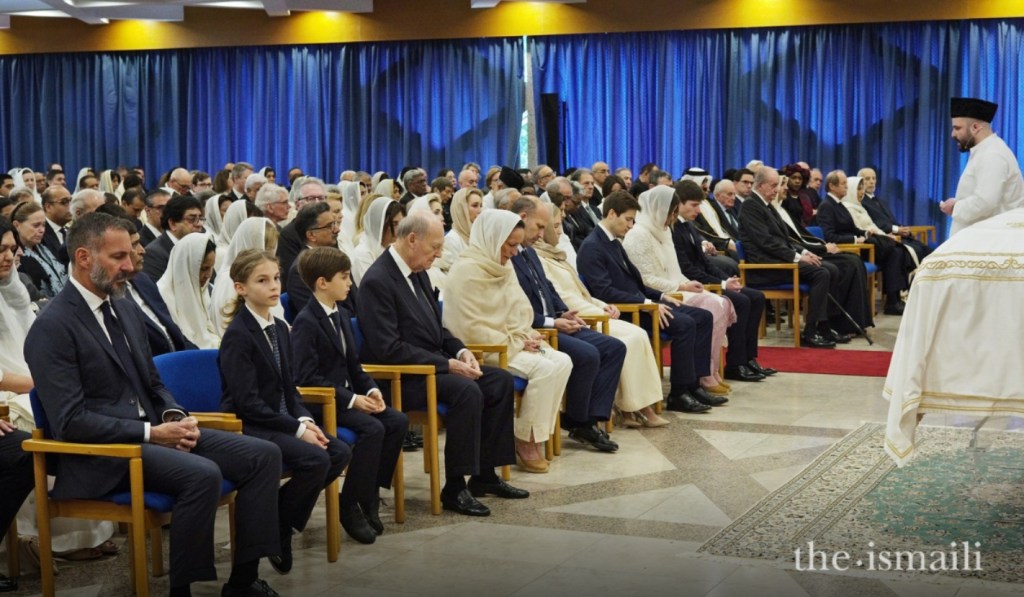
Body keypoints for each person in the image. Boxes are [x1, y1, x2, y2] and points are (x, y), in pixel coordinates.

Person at [24, 213, 284, 597]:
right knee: (202, 474)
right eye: (118, 257)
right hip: (105, 453)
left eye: (130, 254)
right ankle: (182, 589)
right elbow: (71, 421)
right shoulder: (52, 326)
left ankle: (243, 581)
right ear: (83, 257)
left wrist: (175, 417)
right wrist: (152, 432)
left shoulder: (124, 307)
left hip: (152, 433)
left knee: (264, 455)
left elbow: (153, 383)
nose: (130, 266)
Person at [356, 211, 527, 517]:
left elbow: (437, 330)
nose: (440, 253)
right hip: (400, 378)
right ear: (412, 240)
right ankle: (455, 486)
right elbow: (388, 348)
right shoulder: (378, 280)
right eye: (434, 246)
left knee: (498, 380)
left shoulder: (418, 270)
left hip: (431, 367)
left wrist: (460, 352)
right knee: (466, 391)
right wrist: (446, 365)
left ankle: (484, 475)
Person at [219, 249, 351, 567]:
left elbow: (289, 388)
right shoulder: (238, 335)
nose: (274, 286)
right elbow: (248, 403)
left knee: (339, 452)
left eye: (276, 278)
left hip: (282, 418)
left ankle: (281, 516)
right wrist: (298, 428)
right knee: (316, 459)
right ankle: (281, 527)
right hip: (252, 424)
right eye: (262, 280)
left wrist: (305, 418)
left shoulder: (279, 327)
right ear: (241, 288)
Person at [290, 247, 408, 537]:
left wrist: (370, 388)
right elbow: (306, 378)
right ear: (322, 283)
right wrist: (353, 399)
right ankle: (349, 502)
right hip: (323, 403)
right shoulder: (306, 322)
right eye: (344, 277)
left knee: (396, 421)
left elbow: (353, 365)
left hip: (344, 399)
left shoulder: (341, 314)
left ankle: (367, 493)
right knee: (372, 429)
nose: (350, 283)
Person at [446, 210, 573, 471]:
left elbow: (519, 311)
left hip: (512, 343)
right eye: (511, 245)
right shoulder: (465, 271)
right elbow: (468, 328)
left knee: (563, 361)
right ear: (492, 238)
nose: (515, 253)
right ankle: (525, 442)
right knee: (546, 369)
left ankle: (537, 435)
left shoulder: (502, 264)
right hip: (487, 351)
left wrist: (526, 335)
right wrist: (515, 341)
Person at [576, 191, 716, 414]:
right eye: (628, 219)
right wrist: (646, 302)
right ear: (612, 213)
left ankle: (693, 384)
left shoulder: (613, 242)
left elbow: (636, 281)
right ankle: (679, 393)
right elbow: (604, 291)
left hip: (642, 303)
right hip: (627, 311)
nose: (631, 225)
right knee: (685, 324)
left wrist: (660, 296)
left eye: (633, 219)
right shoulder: (592, 246)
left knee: (703, 316)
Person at [535, 204, 669, 427]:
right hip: (580, 316)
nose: (560, 232)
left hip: (591, 310)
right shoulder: (540, 257)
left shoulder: (555, 255)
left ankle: (638, 407)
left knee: (637, 334)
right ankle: (633, 407)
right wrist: (598, 311)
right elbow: (564, 298)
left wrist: (603, 305)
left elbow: (582, 291)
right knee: (630, 338)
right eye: (556, 226)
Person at [509, 196, 626, 450]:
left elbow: (548, 290)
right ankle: (578, 420)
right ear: (522, 218)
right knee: (588, 354)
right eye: (539, 227)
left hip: (554, 323)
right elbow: (518, 309)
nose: (542, 234)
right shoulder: (507, 255)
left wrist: (564, 313)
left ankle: (590, 419)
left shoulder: (529, 251)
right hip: (537, 330)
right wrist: (552, 322)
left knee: (614, 347)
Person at [623, 186, 737, 397]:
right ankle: (700, 379)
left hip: (673, 289)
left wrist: (688, 283)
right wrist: (681, 287)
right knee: (711, 306)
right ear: (659, 209)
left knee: (721, 302)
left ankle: (706, 374)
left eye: (675, 212)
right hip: (657, 294)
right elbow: (645, 279)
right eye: (671, 212)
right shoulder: (638, 235)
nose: (673, 218)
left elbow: (674, 271)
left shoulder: (664, 231)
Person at [672, 181, 773, 382]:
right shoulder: (674, 230)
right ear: (679, 204)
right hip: (694, 285)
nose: (698, 210)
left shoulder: (689, 227)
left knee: (756, 297)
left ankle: (748, 358)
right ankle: (735, 362)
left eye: (699, 205)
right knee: (742, 300)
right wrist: (722, 285)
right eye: (693, 205)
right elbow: (687, 270)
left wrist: (726, 280)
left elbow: (705, 263)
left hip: (705, 281)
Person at [817, 171, 909, 316]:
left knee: (896, 250)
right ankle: (890, 302)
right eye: (843, 184)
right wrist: (855, 239)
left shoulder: (838, 205)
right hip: (849, 249)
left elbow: (853, 228)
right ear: (832, 186)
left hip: (859, 245)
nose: (846, 187)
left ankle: (894, 299)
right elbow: (830, 236)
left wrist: (866, 233)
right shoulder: (826, 206)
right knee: (893, 251)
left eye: (847, 185)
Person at [940, 97, 1024, 236]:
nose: (953, 134)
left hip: (992, 242)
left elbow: (985, 202)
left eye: (957, 128)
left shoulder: (993, 154)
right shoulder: (985, 151)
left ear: (975, 127)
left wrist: (956, 207)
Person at [210, 217, 281, 334]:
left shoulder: (268, 275)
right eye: (266, 248)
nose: (270, 254)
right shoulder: (231, 279)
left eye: (272, 248)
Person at [158, 234, 221, 349]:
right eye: (203, 269)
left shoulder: (206, 290)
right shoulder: (163, 296)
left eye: (211, 268)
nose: (208, 275)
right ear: (187, 265)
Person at [11, 201, 67, 298]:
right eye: (36, 225)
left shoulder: (47, 245)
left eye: (44, 225)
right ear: (17, 225)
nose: (42, 230)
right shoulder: (15, 256)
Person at [142, 195, 204, 282]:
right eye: (192, 219)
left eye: (200, 218)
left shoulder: (201, 247)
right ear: (173, 224)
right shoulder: (154, 254)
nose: (199, 224)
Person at [350, 197, 404, 285]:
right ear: (379, 223)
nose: (399, 229)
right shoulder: (362, 255)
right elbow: (372, 288)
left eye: (401, 223)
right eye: (394, 224)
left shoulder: (392, 247)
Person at [438, 188, 483, 272]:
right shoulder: (451, 240)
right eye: (475, 205)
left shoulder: (479, 236)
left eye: (481, 206)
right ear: (461, 209)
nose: (480, 211)